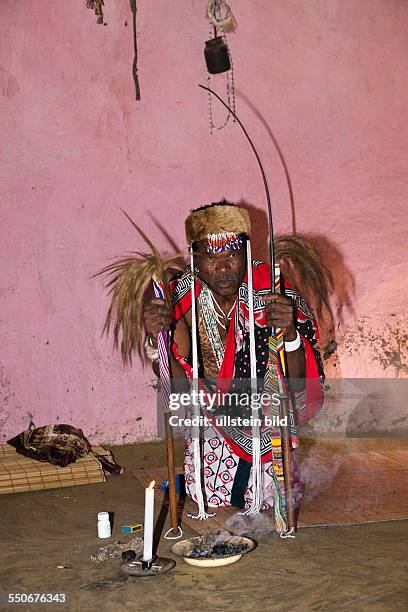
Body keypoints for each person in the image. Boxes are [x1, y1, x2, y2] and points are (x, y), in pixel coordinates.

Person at [143, 201, 326, 532]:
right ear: (195, 258)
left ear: (246, 252)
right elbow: (178, 388)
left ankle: (277, 467)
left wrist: (288, 334)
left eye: (231, 255)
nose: (223, 267)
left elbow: (300, 385)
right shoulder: (181, 299)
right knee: (206, 492)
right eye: (211, 257)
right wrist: (157, 339)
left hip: (269, 415)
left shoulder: (271, 288)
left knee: (271, 492)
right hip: (213, 418)